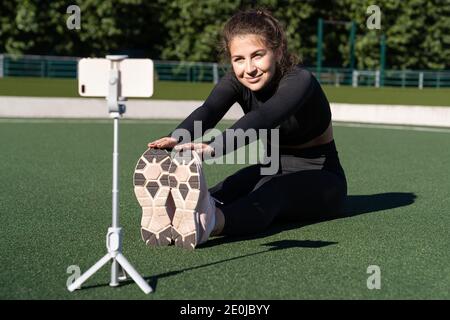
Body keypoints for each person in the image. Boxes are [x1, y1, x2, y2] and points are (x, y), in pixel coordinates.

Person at [133, 8, 347, 250]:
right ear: (230, 59)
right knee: (228, 188)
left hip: (323, 179)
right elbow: (209, 110)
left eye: (258, 55)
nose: (249, 68)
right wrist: (175, 138)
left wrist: (212, 148)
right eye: (239, 59)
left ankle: (209, 223)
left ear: (277, 52)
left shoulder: (300, 80)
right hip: (272, 168)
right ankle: (174, 215)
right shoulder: (236, 82)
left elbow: (264, 117)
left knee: (272, 194)